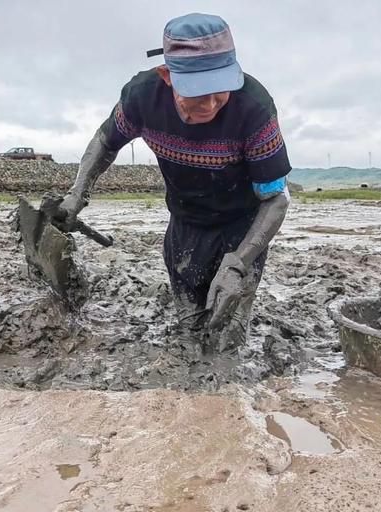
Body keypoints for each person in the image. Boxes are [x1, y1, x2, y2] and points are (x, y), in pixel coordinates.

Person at [56, 12, 291, 353]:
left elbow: (276, 199)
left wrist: (239, 264)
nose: (211, 105)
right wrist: (77, 194)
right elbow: (105, 142)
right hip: (186, 224)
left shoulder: (253, 108)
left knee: (229, 338)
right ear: (167, 75)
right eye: (198, 93)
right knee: (188, 332)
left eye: (220, 90)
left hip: (243, 227)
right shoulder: (143, 97)